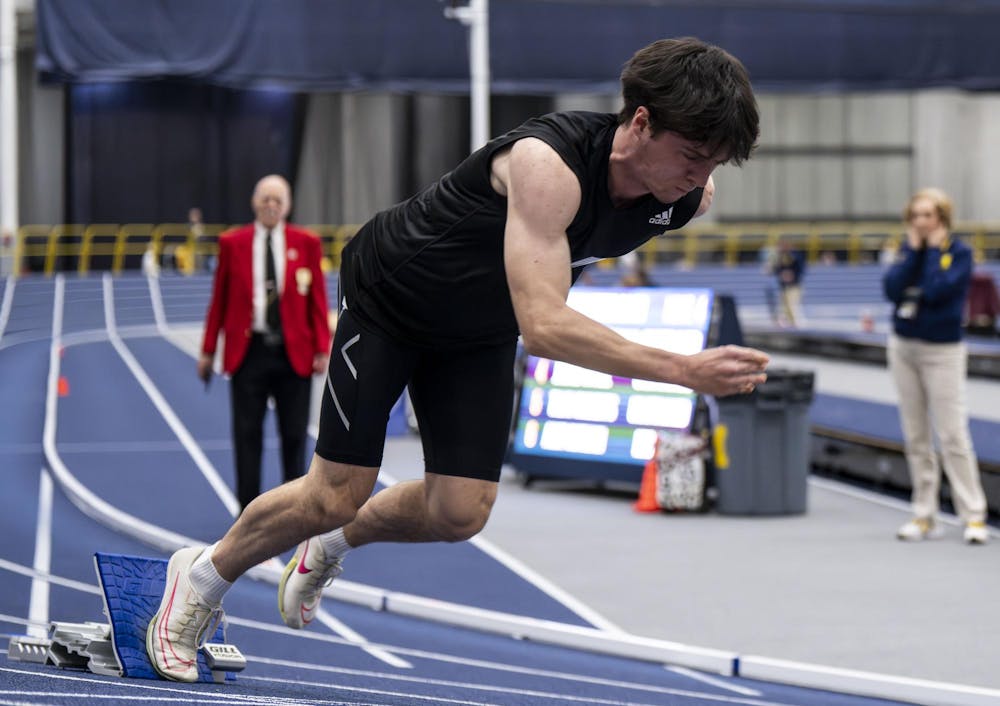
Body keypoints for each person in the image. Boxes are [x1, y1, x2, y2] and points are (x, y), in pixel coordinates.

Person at [146, 37, 770, 682]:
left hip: (478, 331)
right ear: (640, 121)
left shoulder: (688, 199)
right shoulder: (547, 164)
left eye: (715, 162)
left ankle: (333, 543)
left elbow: (541, 301)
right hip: (392, 302)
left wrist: (692, 176)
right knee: (336, 492)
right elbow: (546, 325)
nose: (701, 177)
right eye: (693, 156)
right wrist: (683, 369)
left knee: (459, 513)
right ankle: (199, 579)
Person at [197, 175, 331, 512]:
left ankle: (294, 510)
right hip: (249, 353)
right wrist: (208, 350)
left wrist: (322, 348)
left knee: (295, 435)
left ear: (287, 205)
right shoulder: (233, 244)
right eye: (265, 199)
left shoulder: (307, 243)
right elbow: (219, 301)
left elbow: (317, 299)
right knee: (247, 435)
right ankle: (247, 511)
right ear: (254, 202)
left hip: (293, 353)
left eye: (277, 200)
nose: (271, 205)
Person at [884, 188, 989, 545]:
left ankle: (973, 516)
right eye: (915, 215)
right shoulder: (909, 250)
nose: (919, 222)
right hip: (904, 348)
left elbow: (939, 289)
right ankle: (924, 514)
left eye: (926, 215)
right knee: (915, 436)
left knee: (953, 434)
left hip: (942, 351)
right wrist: (914, 251)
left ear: (941, 217)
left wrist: (928, 253)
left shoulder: (958, 253)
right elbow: (892, 289)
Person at [770, 237, 806, 327]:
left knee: (792, 305)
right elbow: (776, 269)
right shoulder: (779, 256)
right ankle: (789, 323)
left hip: (794, 285)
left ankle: (797, 324)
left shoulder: (795, 255)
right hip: (784, 286)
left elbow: (800, 269)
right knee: (784, 306)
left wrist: (791, 275)